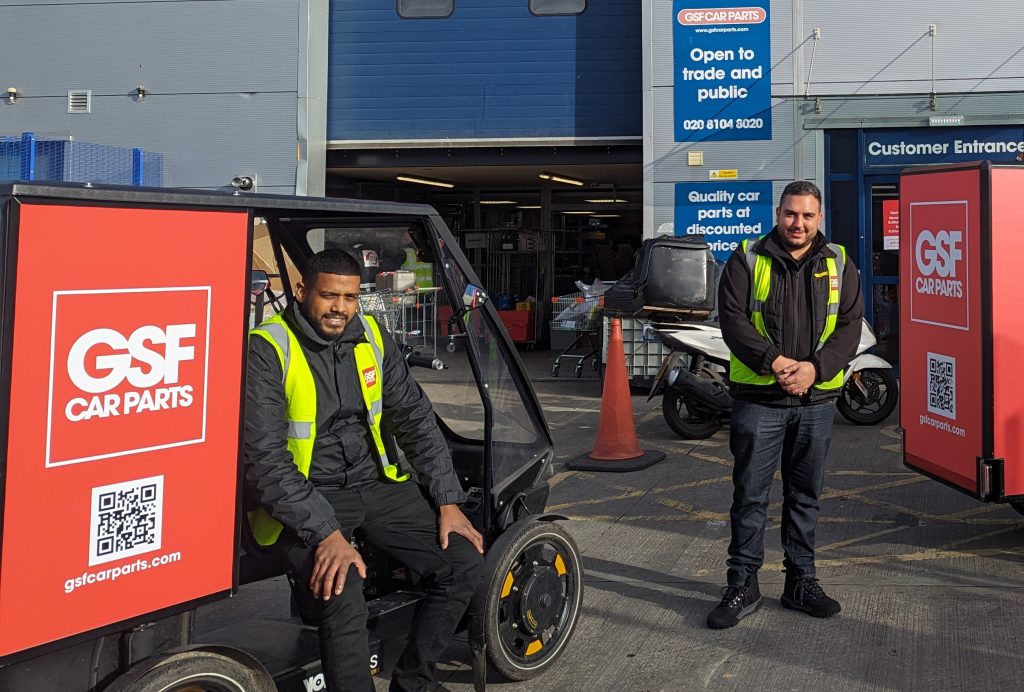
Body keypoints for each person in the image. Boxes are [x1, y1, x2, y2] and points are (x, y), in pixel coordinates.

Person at [244, 249, 485, 690]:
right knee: (343, 590)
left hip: (374, 484)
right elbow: (264, 460)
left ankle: (413, 684)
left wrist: (448, 500)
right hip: (307, 496)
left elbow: (413, 417)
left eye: (350, 297)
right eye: (329, 295)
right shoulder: (267, 348)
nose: (340, 308)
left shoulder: (372, 334)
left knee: (463, 563)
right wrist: (327, 534)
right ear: (301, 292)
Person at [707, 181, 864, 629]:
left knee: (805, 497)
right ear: (778, 214)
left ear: (820, 219)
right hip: (760, 398)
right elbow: (733, 319)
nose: (799, 223)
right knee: (750, 496)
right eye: (791, 214)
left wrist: (815, 368)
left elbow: (850, 325)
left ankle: (800, 581)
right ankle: (742, 584)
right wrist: (774, 361)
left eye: (808, 215)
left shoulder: (837, 262)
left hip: (816, 399)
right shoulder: (747, 258)